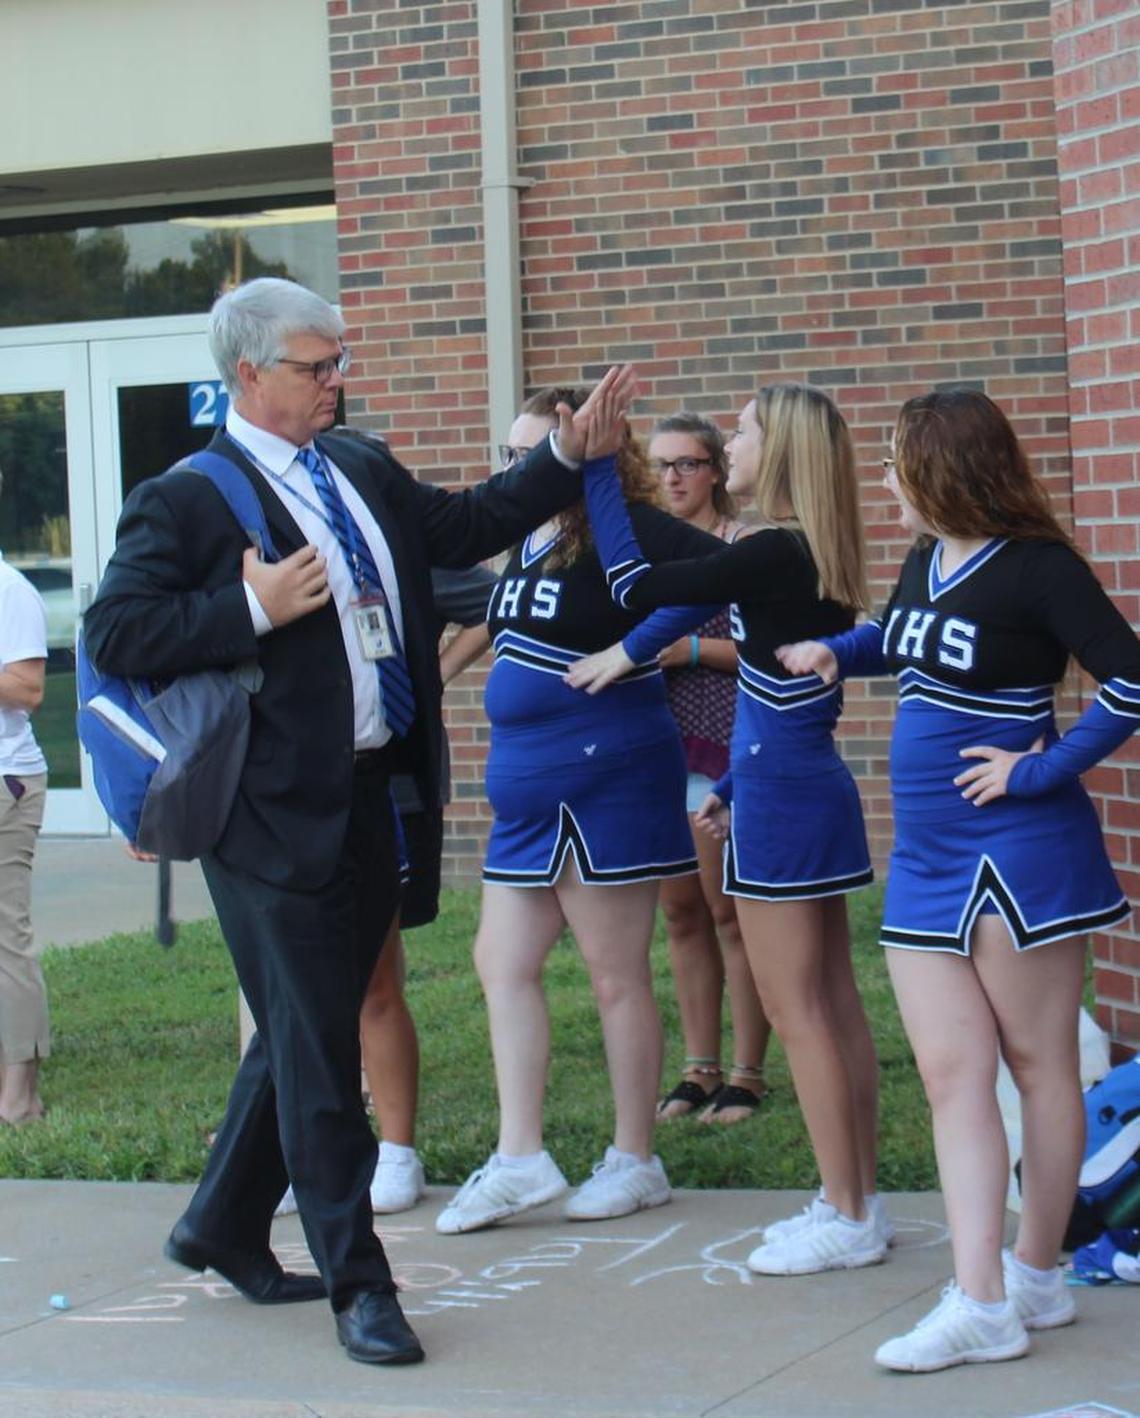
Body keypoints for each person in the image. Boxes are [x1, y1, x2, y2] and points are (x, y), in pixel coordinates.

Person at [82, 276, 635, 1366]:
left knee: (309, 1021)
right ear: (248, 373)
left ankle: (220, 1223)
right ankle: (361, 1286)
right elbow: (116, 631)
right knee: (324, 1053)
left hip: (376, 792)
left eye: (340, 361)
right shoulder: (186, 500)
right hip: (265, 814)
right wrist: (247, 607)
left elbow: (466, 524)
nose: (335, 381)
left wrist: (567, 456)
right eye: (315, 365)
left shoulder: (359, 465)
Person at [778, 388, 1140, 1371]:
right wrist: (834, 650)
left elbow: (1131, 677)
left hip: (1017, 852)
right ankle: (985, 1294)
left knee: (1040, 1063)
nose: (885, 478)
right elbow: (904, 636)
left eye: (897, 460)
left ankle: (1028, 1276)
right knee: (951, 1075)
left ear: (943, 468)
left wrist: (1041, 768)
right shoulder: (926, 557)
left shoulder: (1040, 567)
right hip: (927, 854)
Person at [567, 384, 887, 1275]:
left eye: (742, 432)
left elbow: (635, 584)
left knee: (800, 1011)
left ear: (776, 449)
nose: (733, 444)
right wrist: (733, 781)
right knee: (833, 1004)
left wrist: (599, 472)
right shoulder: (797, 548)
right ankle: (858, 1201)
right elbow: (778, 698)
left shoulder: (774, 549)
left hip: (786, 803)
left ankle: (846, 1211)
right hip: (794, 786)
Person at [435, 388, 720, 1235]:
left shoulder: (620, 526)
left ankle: (636, 1159)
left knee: (613, 970)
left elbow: (716, 575)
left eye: (532, 453)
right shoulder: (525, 538)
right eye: (510, 454)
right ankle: (521, 1157)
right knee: (501, 960)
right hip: (528, 787)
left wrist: (632, 650)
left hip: (605, 774)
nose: (516, 469)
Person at [648, 414, 771, 1125]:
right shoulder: (647, 551)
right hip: (657, 748)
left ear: (716, 471)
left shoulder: (745, 545)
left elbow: (774, 646)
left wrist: (692, 650)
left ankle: (747, 1073)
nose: (672, 478)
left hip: (724, 748)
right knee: (680, 911)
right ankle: (698, 1067)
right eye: (660, 465)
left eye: (687, 464)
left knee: (729, 911)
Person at [0, 466, 50, 1127]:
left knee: (5, 938)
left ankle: (20, 1099)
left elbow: (29, 688)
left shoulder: (10, 590)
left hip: (6, 779)